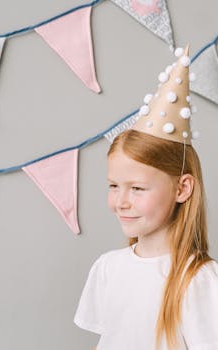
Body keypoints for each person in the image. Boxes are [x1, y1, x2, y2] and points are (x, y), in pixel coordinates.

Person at [73, 45, 218, 350]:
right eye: (114, 185)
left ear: (182, 189)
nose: (121, 201)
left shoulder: (199, 279)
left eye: (137, 188)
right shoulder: (108, 268)